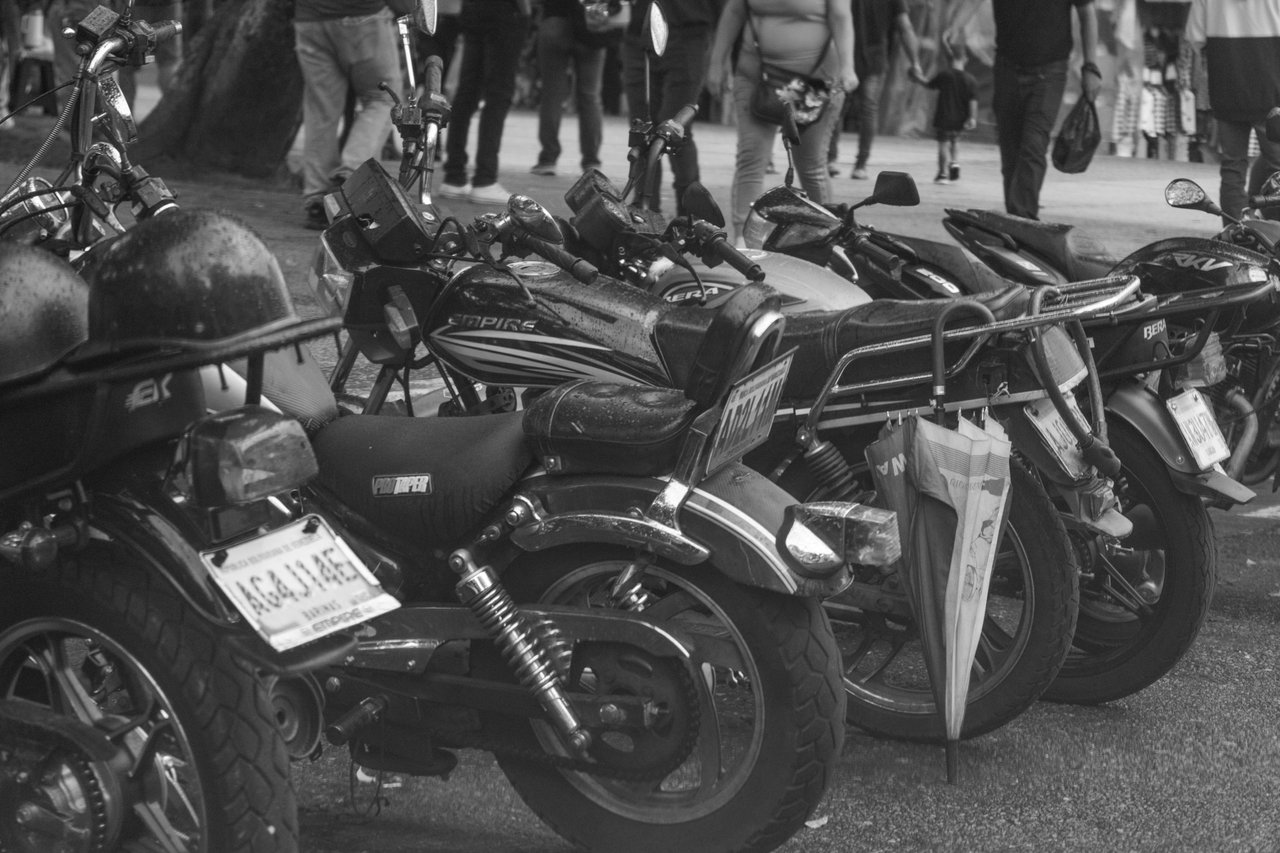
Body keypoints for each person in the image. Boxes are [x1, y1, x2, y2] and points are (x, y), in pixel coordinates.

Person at [708, 0, 857, 239]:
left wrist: (848, 67)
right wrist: (717, 62)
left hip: (814, 82)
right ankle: (744, 241)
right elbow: (734, 11)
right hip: (757, 77)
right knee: (751, 158)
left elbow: (841, 18)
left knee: (810, 165)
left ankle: (828, 237)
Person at [294, 0, 410, 230]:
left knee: (321, 110)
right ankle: (351, 175)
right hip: (362, 15)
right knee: (385, 98)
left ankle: (317, 198)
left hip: (309, 18)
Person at [989, 0, 1100, 220]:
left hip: (1049, 71)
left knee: (1033, 144)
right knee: (1011, 150)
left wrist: (1091, 66)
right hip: (1006, 67)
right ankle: (1016, 219)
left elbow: (1087, 12)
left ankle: (1023, 219)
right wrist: (957, 25)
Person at [1185, 0, 1280, 223]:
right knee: (1278, 167)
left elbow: (1194, 38)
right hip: (1271, 90)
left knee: (1232, 167)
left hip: (1227, 87)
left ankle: (1235, 232)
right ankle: (1272, 233)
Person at [621, 0, 719, 216]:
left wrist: (721, 55)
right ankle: (644, 212)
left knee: (674, 126)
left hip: (688, 32)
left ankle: (690, 213)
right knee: (641, 128)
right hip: (639, 33)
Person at [439, 0, 532, 204]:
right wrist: (525, 12)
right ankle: (485, 178)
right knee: (498, 94)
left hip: (473, 10)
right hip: (504, 13)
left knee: (467, 93)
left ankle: (454, 175)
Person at [530, 0, 628, 177]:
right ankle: (591, 160)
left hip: (554, 20)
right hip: (591, 19)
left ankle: (548, 159)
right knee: (590, 96)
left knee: (552, 94)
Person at [837, 0, 922, 180]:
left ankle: (829, 160)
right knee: (868, 111)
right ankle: (860, 166)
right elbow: (905, 27)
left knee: (837, 108)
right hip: (875, 60)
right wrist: (915, 62)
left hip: (843, 57)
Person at [916, 39, 976, 185]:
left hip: (944, 116)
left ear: (949, 58)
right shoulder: (970, 80)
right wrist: (972, 117)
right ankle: (954, 162)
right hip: (960, 118)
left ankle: (942, 174)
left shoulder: (944, 75)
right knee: (955, 141)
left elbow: (929, 85)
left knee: (943, 144)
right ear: (965, 59)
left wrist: (917, 78)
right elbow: (973, 100)